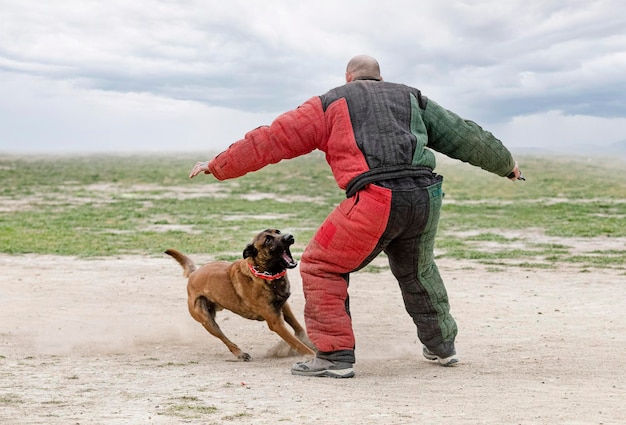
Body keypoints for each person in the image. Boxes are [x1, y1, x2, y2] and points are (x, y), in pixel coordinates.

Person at [189, 55, 522, 379]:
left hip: (376, 199)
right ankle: (443, 347)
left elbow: (271, 139)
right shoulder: (412, 97)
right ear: (379, 76)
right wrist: (506, 164)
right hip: (424, 198)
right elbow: (464, 135)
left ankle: (334, 357)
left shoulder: (329, 103)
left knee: (322, 265)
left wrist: (218, 165)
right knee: (418, 271)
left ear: (348, 77)